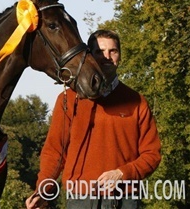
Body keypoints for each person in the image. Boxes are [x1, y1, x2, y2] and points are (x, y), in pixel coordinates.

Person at [26, 30, 161, 209]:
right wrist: (44, 189)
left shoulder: (137, 101)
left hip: (124, 198)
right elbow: (55, 150)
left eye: (113, 51)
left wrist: (122, 173)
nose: (107, 56)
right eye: (99, 51)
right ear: (90, 55)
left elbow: (152, 154)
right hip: (80, 198)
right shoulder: (68, 99)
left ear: (119, 56)